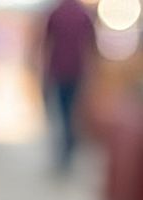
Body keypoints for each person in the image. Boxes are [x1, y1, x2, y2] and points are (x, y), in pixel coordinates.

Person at [41, 0, 96, 173]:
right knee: (71, 113)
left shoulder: (56, 12)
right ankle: (68, 148)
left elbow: (46, 42)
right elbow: (92, 45)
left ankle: (65, 152)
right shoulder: (84, 14)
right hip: (77, 70)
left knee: (63, 113)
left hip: (58, 70)